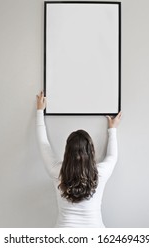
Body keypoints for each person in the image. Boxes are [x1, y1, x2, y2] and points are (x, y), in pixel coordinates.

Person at [35, 91, 122, 227]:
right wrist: (112, 129)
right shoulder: (100, 173)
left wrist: (40, 111)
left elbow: (43, 144)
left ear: (67, 151)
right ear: (91, 151)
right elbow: (112, 157)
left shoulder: (57, 171)